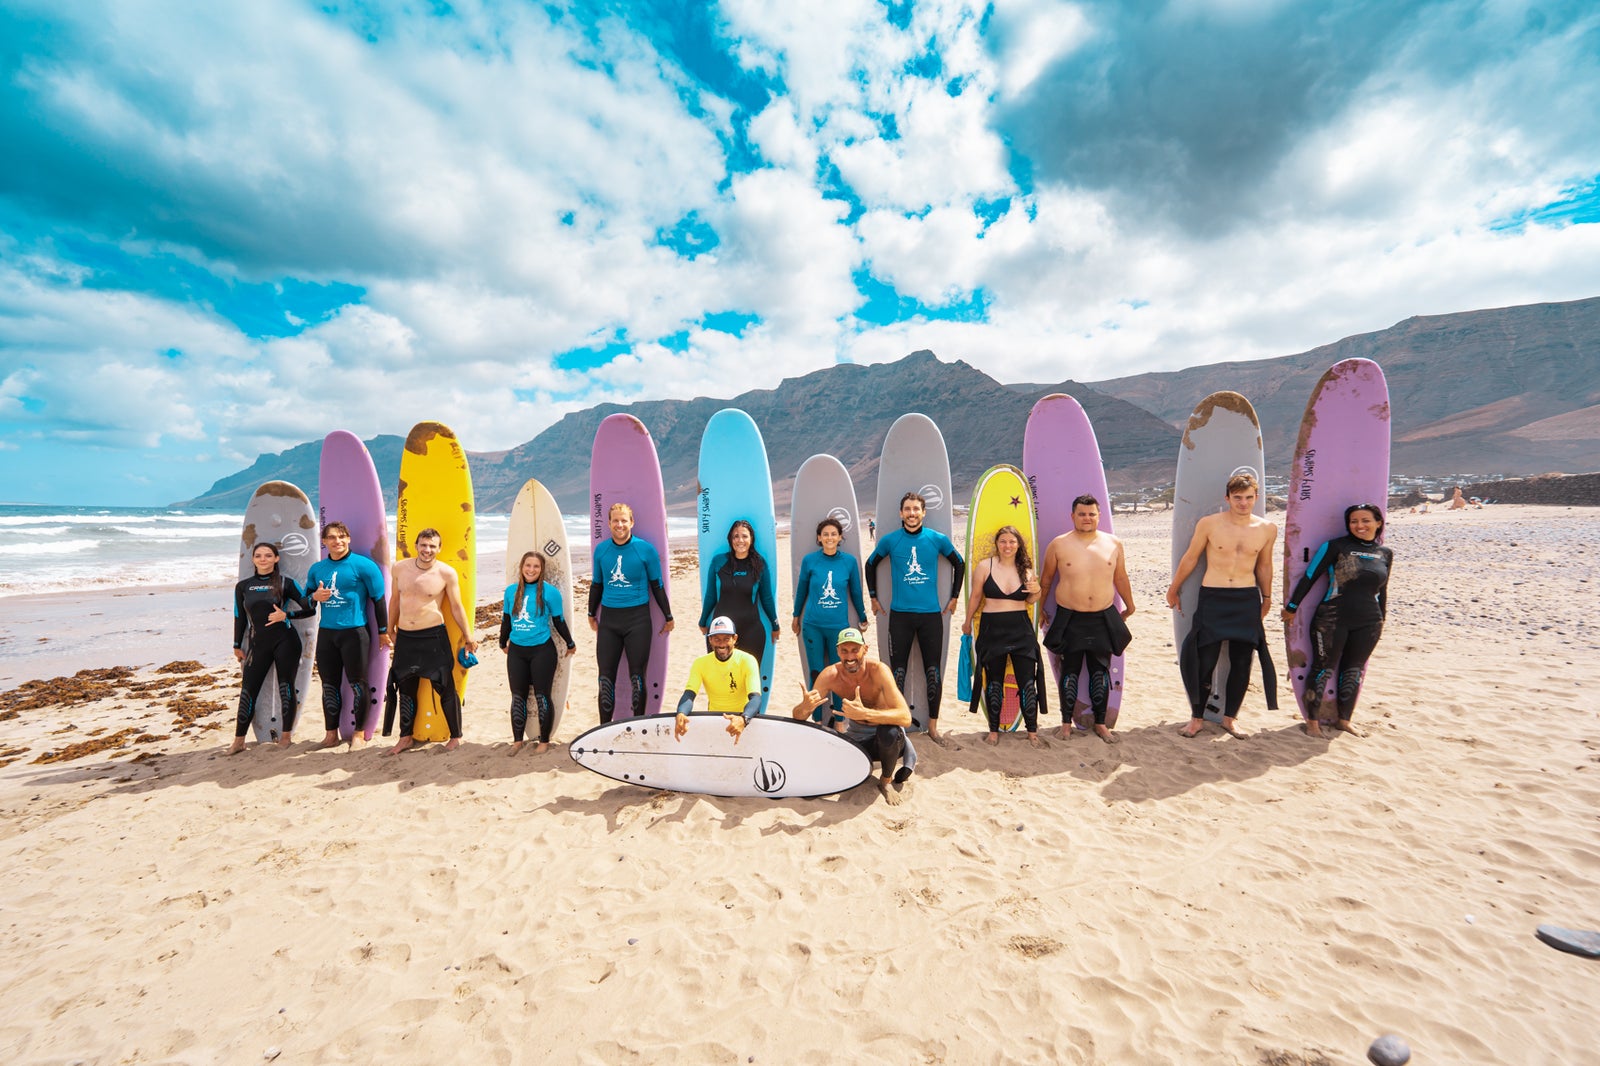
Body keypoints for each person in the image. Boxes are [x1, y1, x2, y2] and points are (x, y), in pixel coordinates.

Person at [1166, 472, 1278, 738]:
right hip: (1213, 597)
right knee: (1205, 660)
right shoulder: (1209, 524)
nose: (1243, 503)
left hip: (1246, 599)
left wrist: (1267, 597)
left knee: (1242, 662)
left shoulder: (1267, 528)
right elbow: (1191, 557)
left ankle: (1230, 719)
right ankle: (1196, 719)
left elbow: (1264, 565)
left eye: (1248, 498)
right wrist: (1174, 588)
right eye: (1237, 498)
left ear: (1256, 498)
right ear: (1227, 498)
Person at [1282, 503, 1393, 738]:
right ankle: (1313, 722)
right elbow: (1310, 576)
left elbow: (1382, 590)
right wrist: (1292, 607)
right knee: (1323, 668)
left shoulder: (1385, 553)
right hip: (1331, 619)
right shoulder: (1335, 547)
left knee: (1354, 670)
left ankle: (1344, 720)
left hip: (1369, 622)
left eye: (1365, 520)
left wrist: (1382, 618)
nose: (1359, 525)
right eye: (1354, 521)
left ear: (1378, 523)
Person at [865, 491, 966, 747]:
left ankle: (932, 726)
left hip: (931, 616)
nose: (912, 513)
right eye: (907, 509)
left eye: (916, 509)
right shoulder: (891, 541)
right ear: (901, 513)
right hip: (900, 616)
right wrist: (874, 597)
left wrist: (954, 597)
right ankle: (898, 723)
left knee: (932, 671)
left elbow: (959, 563)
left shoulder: (936, 539)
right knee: (897, 672)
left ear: (924, 512)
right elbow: (870, 564)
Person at [1038, 496, 1135, 744]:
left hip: (1102, 616)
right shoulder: (1059, 545)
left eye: (1092, 514)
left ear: (1099, 515)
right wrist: (1039, 608)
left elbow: (1120, 578)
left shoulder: (1113, 543)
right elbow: (1046, 580)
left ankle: (1101, 724)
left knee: (1099, 671)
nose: (1087, 518)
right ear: (1073, 516)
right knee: (1069, 672)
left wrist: (1130, 604)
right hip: (1070, 616)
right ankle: (1066, 723)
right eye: (1082, 514)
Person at [791, 628, 917, 805]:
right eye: (844, 651)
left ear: (865, 649)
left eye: (855, 650)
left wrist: (865, 713)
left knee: (888, 733)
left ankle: (886, 782)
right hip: (857, 738)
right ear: (837, 652)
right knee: (826, 757)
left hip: (888, 739)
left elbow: (905, 717)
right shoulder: (830, 675)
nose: (850, 657)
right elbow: (798, 717)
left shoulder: (879, 671)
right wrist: (804, 707)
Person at [383, 527, 478, 755]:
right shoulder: (400, 568)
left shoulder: (446, 573)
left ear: (439, 548)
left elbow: (456, 606)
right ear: (416, 545)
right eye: (424, 545)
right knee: (405, 688)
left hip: (433, 637)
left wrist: (468, 636)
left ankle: (456, 736)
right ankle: (405, 738)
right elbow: (395, 600)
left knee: (445, 687)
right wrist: (389, 629)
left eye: (432, 546)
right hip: (406, 637)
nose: (427, 550)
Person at [961, 524, 1048, 748]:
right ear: (997, 544)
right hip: (992, 629)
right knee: (994, 682)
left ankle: (1032, 730)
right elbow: (975, 596)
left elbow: (1030, 601)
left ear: (1018, 545)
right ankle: (993, 730)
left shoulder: (1026, 571)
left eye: (1012, 541)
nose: (1007, 545)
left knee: (1027, 682)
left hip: (1021, 629)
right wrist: (967, 621)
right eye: (1003, 541)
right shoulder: (984, 566)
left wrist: (1037, 590)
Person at [306, 522, 389, 751]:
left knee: (358, 684)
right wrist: (315, 597)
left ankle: (359, 735)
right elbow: (306, 605)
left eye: (342, 537)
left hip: (355, 633)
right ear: (324, 541)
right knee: (329, 685)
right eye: (331, 537)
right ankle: (330, 735)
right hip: (327, 634)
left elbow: (379, 599)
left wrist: (383, 632)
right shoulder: (317, 569)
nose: (337, 541)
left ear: (349, 538)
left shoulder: (363, 566)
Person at [589, 502, 674, 723]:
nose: (619, 524)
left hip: (638, 621)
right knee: (605, 678)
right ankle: (604, 727)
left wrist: (668, 615)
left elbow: (657, 585)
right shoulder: (602, 550)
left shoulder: (645, 550)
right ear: (609, 523)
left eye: (624, 520)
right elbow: (597, 584)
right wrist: (591, 613)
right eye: (615, 520)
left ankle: (637, 725)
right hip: (609, 621)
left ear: (632, 522)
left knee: (637, 676)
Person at [230, 541, 316, 753]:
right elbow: (239, 617)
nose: (263, 559)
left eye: (268, 555)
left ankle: (286, 737)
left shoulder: (286, 583)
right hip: (257, 643)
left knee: (286, 687)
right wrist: (236, 644)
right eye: (258, 555)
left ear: (276, 559)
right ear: (252, 559)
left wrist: (287, 614)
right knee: (248, 690)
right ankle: (238, 741)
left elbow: (309, 609)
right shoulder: (243, 586)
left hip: (285, 641)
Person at [500, 551, 576, 755]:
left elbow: (559, 621)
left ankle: (544, 741)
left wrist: (570, 642)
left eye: (536, 566)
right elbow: (506, 619)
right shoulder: (511, 591)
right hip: (517, 650)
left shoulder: (550, 593)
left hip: (542, 650)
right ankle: (517, 740)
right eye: (528, 565)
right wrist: (502, 642)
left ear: (541, 570)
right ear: (521, 567)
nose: (531, 570)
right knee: (518, 697)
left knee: (542, 696)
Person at [791, 516, 867, 714]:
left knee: (840, 673)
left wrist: (862, 616)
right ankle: (816, 719)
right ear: (819, 538)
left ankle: (840, 721)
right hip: (813, 625)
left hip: (839, 629)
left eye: (834, 534)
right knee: (816, 673)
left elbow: (856, 592)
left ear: (840, 537)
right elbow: (802, 591)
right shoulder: (810, 561)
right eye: (825, 534)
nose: (830, 537)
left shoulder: (849, 562)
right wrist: (795, 615)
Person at [699, 519, 779, 677]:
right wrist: (702, 621)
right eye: (736, 536)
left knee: (749, 678)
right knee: (722, 679)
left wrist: (775, 624)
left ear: (751, 539)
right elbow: (710, 596)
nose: (740, 540)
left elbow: (767, 597)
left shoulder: (759, 564)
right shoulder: (719, 561)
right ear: (730, 539)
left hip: (752, 630)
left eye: (744, 536)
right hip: (721, 632)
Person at [674, 616, 762, 744]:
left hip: (743, 720)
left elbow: (756, 698)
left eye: (726, 639)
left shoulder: (747, 660)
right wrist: (681, 713)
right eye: (717, 639)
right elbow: (689, 694)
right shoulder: (700, 663)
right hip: (714, 721)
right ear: (710, 640)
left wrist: (743, 719)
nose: (721, 644)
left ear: (734, 638)